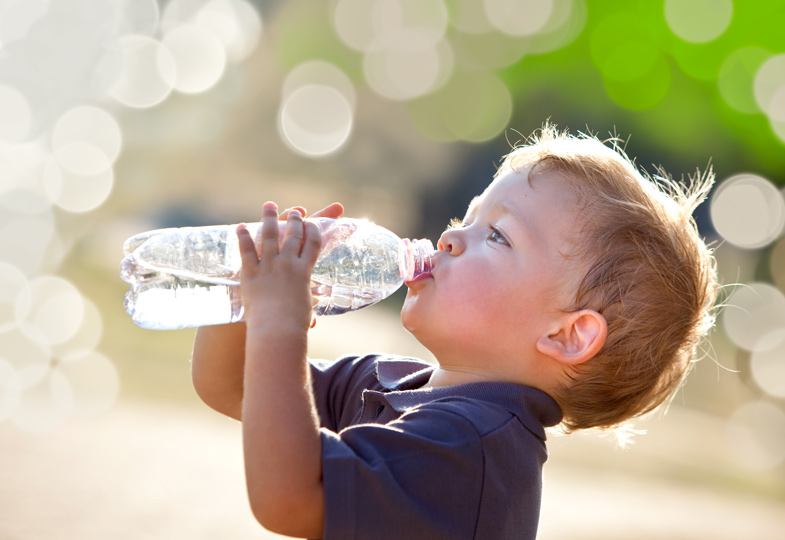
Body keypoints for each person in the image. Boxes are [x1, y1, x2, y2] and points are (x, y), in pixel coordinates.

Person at [190, 124, 719, 540]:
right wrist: (247, 295)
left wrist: (281, 324)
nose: (448, 237)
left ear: (566, 335)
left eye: (495, 234)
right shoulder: (395, 384)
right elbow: (232, 383)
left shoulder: (471, 448)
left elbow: (287, 499)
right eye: (466, 217)